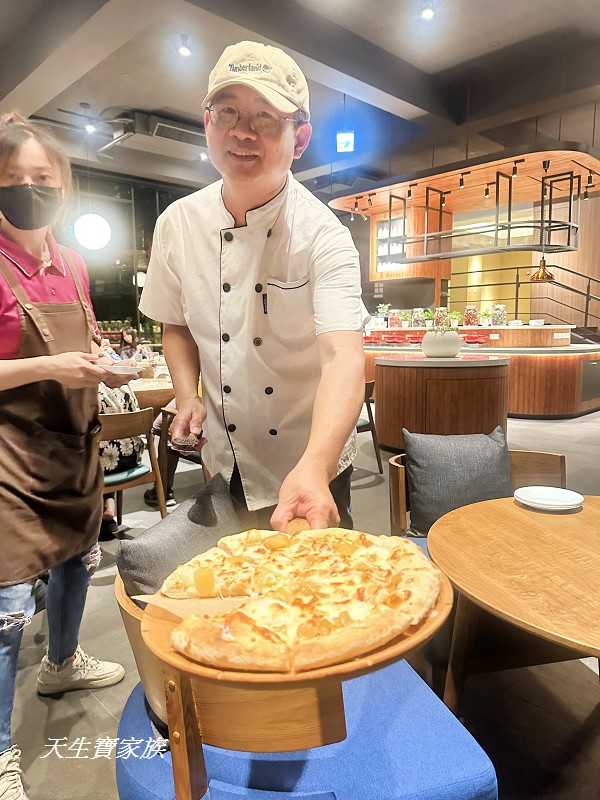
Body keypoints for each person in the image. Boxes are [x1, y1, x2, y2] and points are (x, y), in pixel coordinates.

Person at [140, 41, 365, 532]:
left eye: (265, 118)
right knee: (232, 597)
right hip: (222, 458)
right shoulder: (177, 224)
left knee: (320, 599)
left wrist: (316, 466)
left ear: (299, 139)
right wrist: (187, 395)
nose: (242, 132)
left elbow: (342, 356)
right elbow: (175, 323)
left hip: (309, 461)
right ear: (207, 122)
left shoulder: (324, 235)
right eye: (228, 112)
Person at [0, 113, 138, 799]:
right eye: (12, 180)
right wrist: (53, 365)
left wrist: (105, 365)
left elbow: (80, 350)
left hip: (72, 442)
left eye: (41, 179)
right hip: (8, 455)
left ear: (63, 184)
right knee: (5, 605)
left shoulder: (75, 263)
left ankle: (59, 663)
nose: (28, 190)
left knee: (79, 559)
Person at [98, 381, 145, 538]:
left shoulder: (79, 387)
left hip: (97, 468)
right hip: (130, 459)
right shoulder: (123, 384)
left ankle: (97, 511)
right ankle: (108, 504)